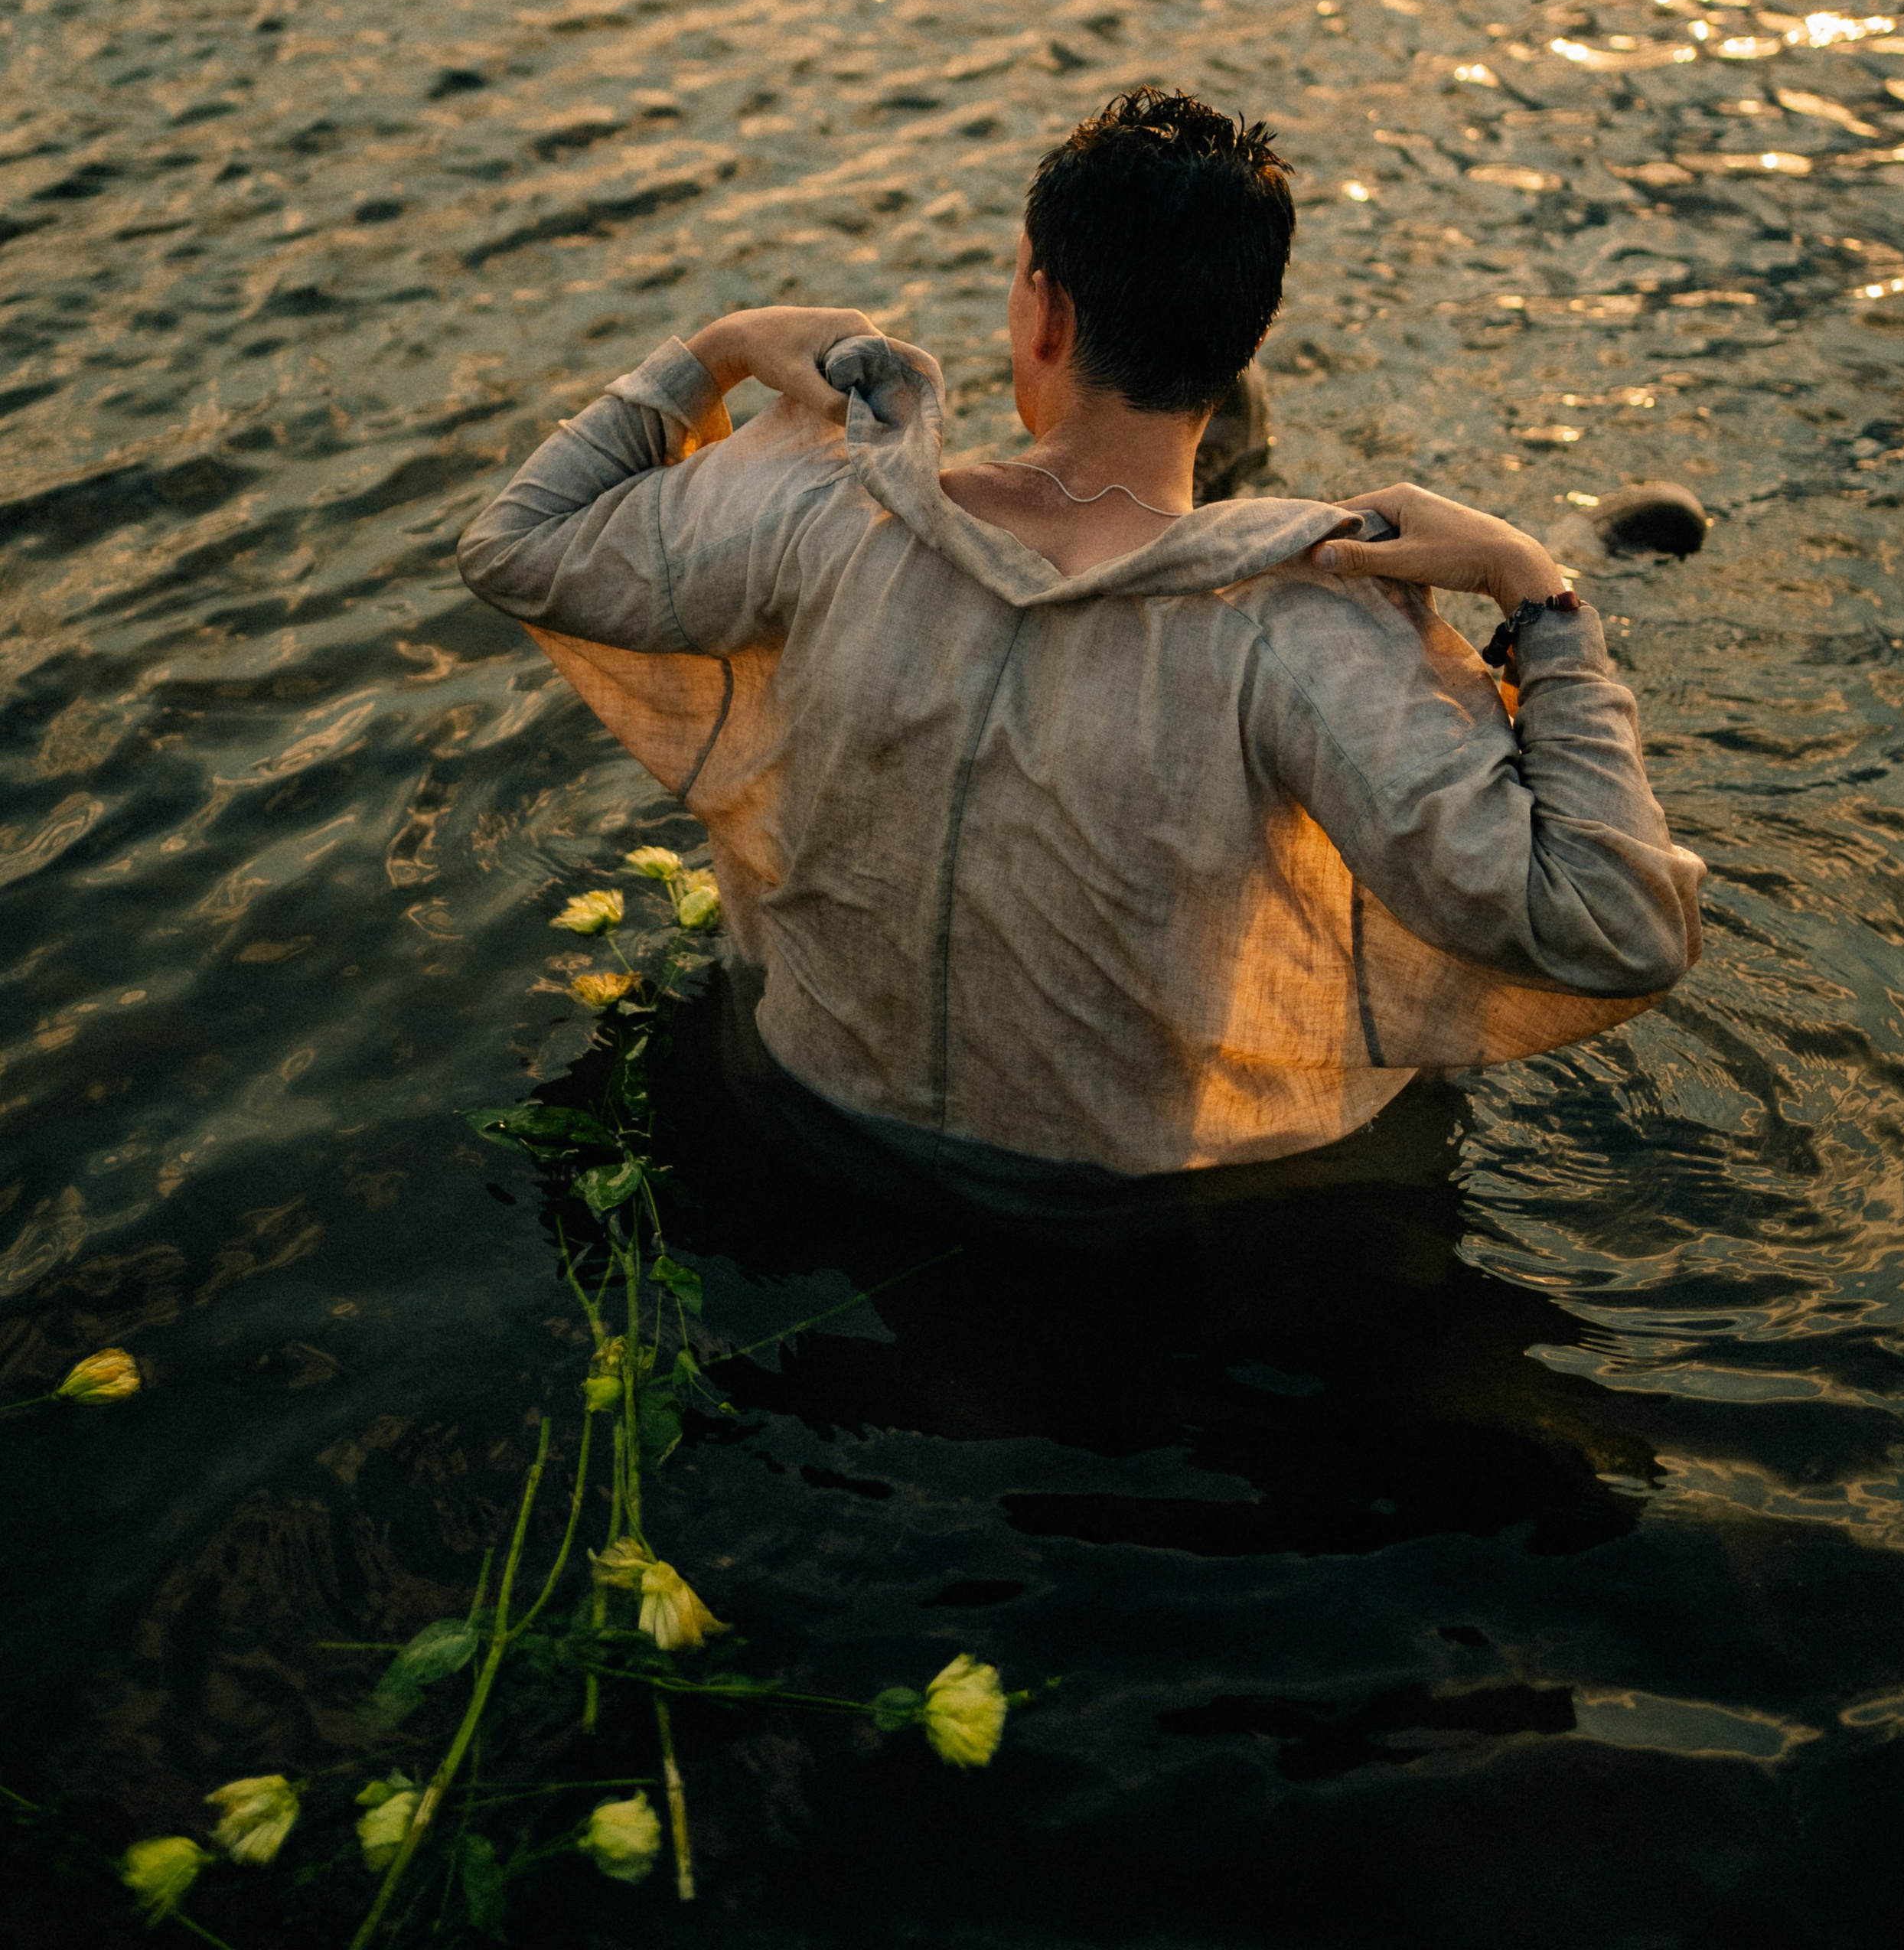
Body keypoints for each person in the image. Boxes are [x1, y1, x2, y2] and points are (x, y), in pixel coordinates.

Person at [458, 87, 1701, 1205]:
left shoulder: (829, 513)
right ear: (1242, 345)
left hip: (810, 1131)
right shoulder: (1302, 630)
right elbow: (1616, 925)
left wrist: (721, 349)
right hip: (1145, 1220)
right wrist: (1536, 591)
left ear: (1044, 311)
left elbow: (516, 543)